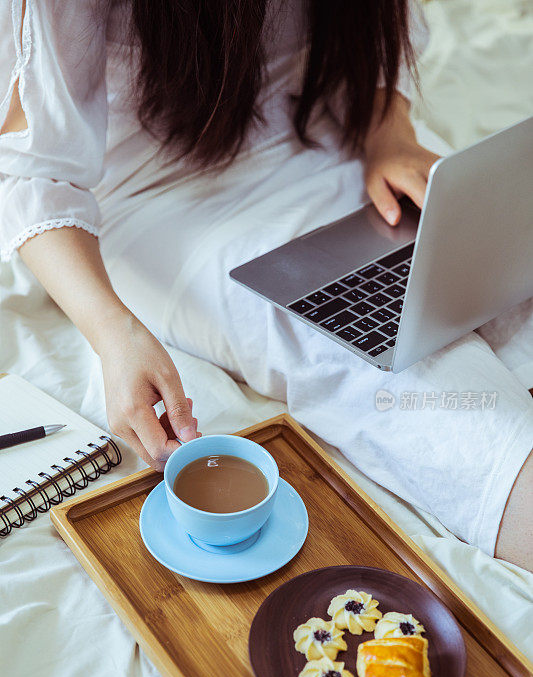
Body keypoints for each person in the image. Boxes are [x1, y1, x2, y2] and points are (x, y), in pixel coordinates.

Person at [0, 1, 531, 570]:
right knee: (421, 386)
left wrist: (389, 134)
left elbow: (378, 27)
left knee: (499, 277)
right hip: (160, 200)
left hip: (337, 127)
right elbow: (37, 173)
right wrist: (115, 335)